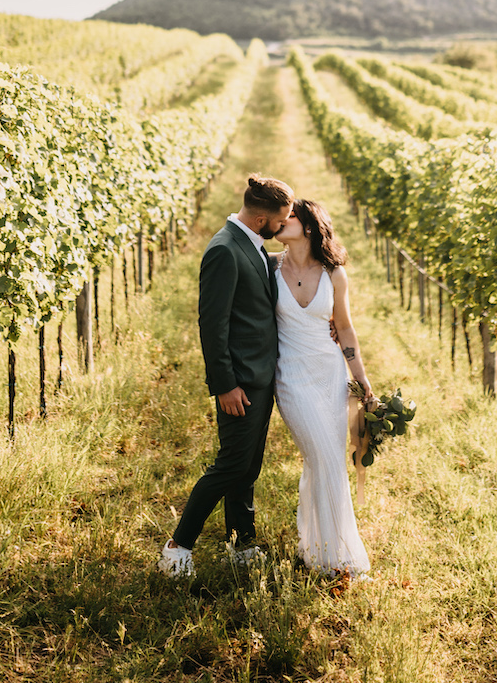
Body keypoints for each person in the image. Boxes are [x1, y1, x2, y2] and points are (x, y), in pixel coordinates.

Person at [159, 173, 294, 579]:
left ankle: (242, 542)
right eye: (281, 220)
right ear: (259, 219)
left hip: (258, 376)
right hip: (240, 382)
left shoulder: (249, 244)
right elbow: (211, 324)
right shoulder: (223, 250)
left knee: (248, 465)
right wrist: (225, 385)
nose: (283, 227)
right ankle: (178, 546)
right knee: (231, 466)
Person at [272, 198, 372, 576]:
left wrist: (361, 378)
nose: (283, 220)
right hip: (291, 378)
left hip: (329, 375)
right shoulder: (269, 268)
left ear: (310, 227)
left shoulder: (334, 274)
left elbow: (344, 327)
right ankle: (340, 557)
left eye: (291, 216)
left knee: (323, 460)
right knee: (324, 457)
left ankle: (317, 547)